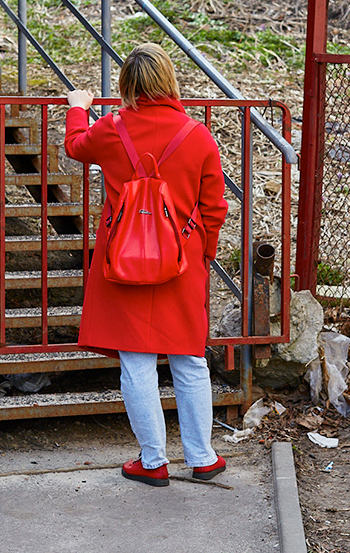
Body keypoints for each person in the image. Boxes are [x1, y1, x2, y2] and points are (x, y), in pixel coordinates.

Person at [63, 43, 228, 487]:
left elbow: (75, 145)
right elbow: (214, 208)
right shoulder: (197, 135)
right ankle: (203, 457)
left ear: (126, 86)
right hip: (182, 260)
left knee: (135, 363)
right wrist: (202, 254)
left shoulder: (112, 129)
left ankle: (152, 461)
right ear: (169, 81)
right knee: (190, 360)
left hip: (124, 259)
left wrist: (78, 107)